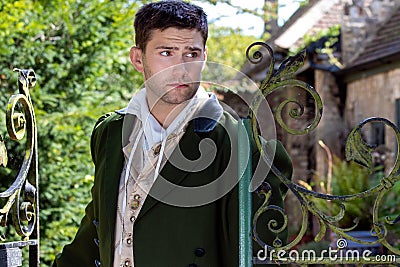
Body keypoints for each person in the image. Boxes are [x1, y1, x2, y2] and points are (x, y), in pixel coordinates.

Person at [53, 1, 292, 266]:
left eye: (191, 53)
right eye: (166, 52)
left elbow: (261, 257)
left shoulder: (244, 145)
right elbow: (97, 229)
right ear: (137, 58)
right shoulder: (111, 132)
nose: (181, 68)